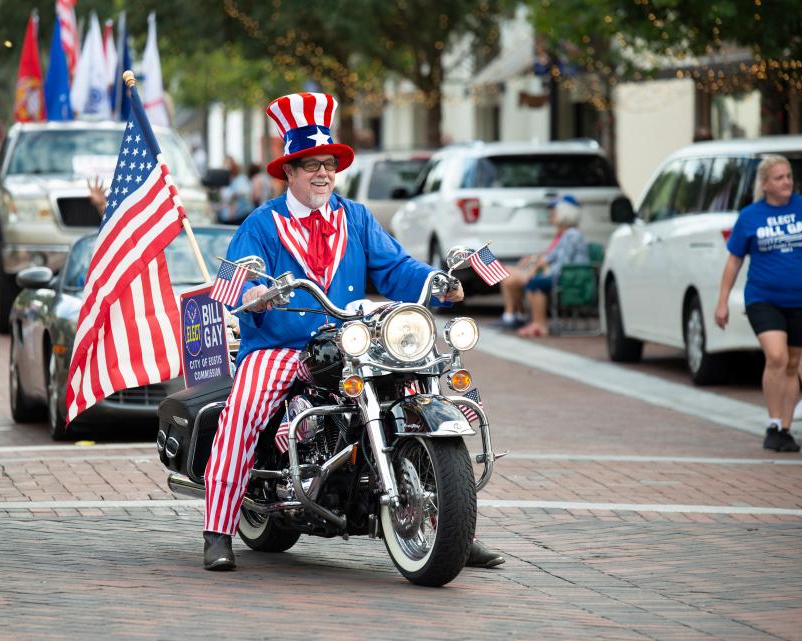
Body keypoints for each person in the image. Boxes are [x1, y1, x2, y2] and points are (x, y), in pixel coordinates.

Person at [201, 91, 502, 572]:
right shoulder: (261, 223)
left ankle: (456, 532)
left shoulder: (355, 217)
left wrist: (436, 281)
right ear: (290, 173)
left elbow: (395, 267)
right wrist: (257, 294)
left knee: (419, 386)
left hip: (353, 343)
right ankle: (217, 530)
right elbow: (236, 282)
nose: (323, 173)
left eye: (330, 164)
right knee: (244, 409)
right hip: (282, 346)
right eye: (311, 164)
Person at [715, 155, 802, 452]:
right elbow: (734, 260)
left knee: (793, 362)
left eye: (789, 176)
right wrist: (722, 301)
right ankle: (773, 423)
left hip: (799, 300)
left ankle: (786, 430)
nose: (787, 182)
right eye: (779, 178)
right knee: (776, 357)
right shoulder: (750, 216)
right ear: (765, 184)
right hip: (763, 298)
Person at [498, 195, 588, 337]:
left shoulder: (572, 235)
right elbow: (552, 257)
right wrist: (539, 264)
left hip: (572, 278)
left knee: (536, 283)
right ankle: (536, 323)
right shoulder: (567, 234)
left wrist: (546, 271)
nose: (552, 214)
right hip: (567, 275)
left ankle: (540, 325)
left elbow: (563, 263)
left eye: (555, 211)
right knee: (534, 283)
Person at [216, 156, 252, 224]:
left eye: (229, 164)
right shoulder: (224, 182)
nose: (227, 167)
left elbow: (246, 192)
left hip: (240, 216)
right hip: (226, 218)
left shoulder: (240, 179)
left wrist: (234, 195)